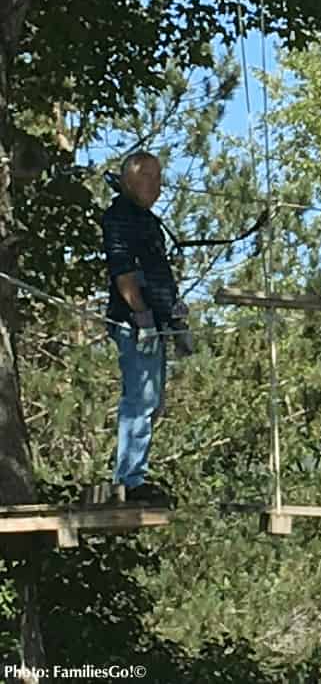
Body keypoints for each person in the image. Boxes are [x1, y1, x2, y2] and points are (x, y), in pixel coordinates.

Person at [101, 151, 177, 505]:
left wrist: (171, 313)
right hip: (135, 323)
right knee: (140, 400)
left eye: (160, 178)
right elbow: (123, 271)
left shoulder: (147, 221)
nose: (157, 185)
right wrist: (142, 315)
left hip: (154, 321)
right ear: (130, 180)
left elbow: (156, 273)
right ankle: (129, 481)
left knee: (153, 403)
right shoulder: (120, 218)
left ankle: (134, 475)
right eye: (150, 177)